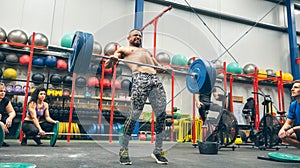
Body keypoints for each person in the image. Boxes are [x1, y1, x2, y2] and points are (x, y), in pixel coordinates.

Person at [105, 29, 169, 165]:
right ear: (129, 38)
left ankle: (158, 151)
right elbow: (108, 64)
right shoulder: (125, 50)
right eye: (135, 35)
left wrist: (164, 68)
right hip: (140, 78)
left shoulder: (147, 52)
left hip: (155, 80)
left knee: (162, 115)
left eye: (140, 36)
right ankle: (123, 151)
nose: (138, 37)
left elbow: (157, 67)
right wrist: (112, 59)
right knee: (134, 114)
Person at [278, 80, 300, 148]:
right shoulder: (293, 105)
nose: (292, 89)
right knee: (285, 135)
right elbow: (288, 123)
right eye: (292, 87)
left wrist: (293, 129)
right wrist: (281, 131)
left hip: (297, 129)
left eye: (296, 87)